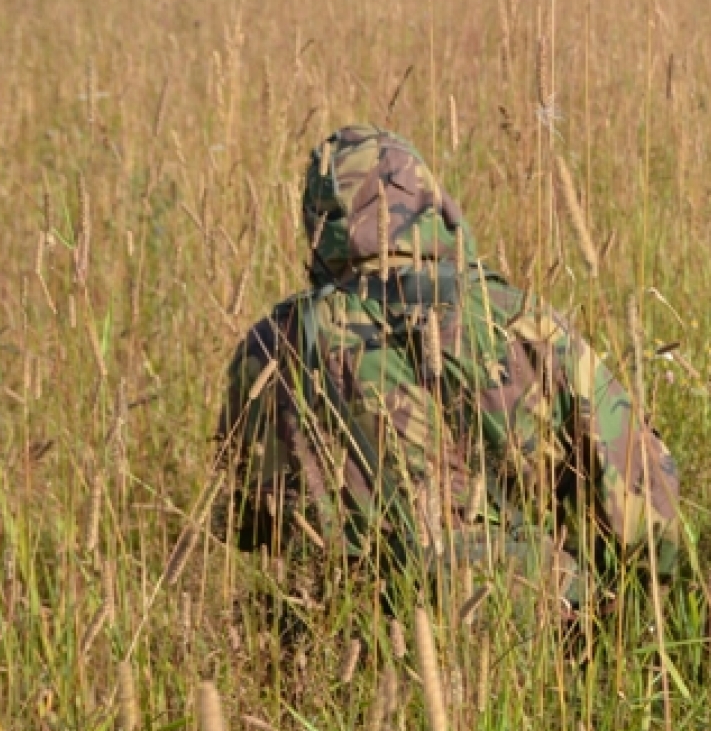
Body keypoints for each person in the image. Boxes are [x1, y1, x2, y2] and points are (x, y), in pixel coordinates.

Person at [213, 125, 680, 604]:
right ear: (428, 204)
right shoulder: (519, 319)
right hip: (527, 623)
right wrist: (633, 614)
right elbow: (645, 498)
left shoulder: (270, 345)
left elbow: (249, 525)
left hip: (340, 628)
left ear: (317, 227)